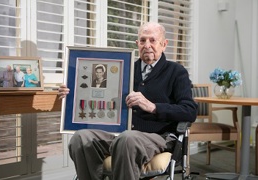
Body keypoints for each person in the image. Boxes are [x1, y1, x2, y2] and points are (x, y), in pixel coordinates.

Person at [59, 22, 198, 180]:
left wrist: (152, 107)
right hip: (120, 134)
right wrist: (72, 92)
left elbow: (190, 111)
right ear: (137, 44)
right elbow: (98, 92)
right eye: (142, 40)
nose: (147, 45)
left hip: (158, 136)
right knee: (80, 138)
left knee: (127, 139)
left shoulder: (176, 72)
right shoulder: (123, 69)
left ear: (164, 44)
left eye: (152, 40)